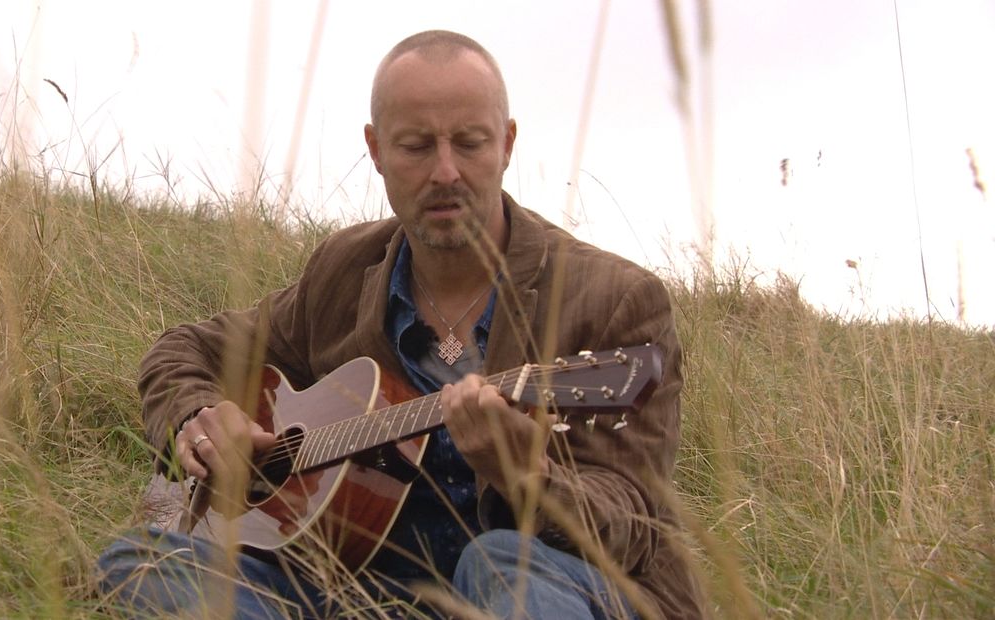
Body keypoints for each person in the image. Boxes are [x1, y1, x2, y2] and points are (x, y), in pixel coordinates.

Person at [98, 29, 705, 619]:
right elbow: (184, 349)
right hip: (356, 589)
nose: (446, 172)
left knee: (501, 564)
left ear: (508, 144)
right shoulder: (343, 270)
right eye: (416, 146)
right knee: (139, 561)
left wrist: (529, 479)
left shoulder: (614, 300)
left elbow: (634, 523)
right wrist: (199, 416)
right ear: (377, 149)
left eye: (469, 143)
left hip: (545, 587)